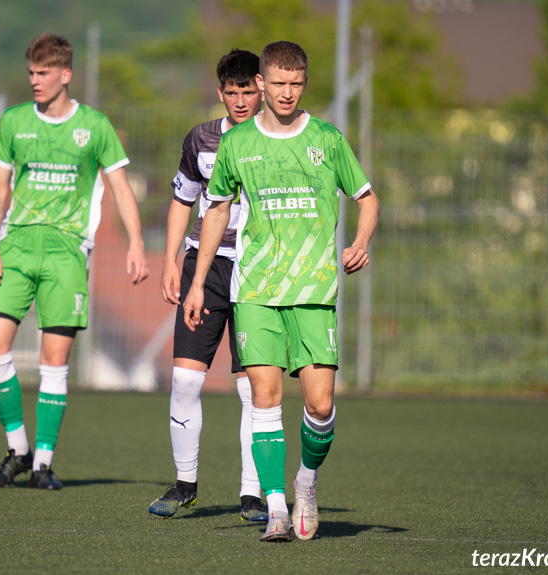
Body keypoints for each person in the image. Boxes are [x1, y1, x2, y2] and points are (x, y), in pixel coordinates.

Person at [183, 40, 380, 542]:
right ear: (262, 85)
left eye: (297, 84)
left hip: (314, 292)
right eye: (279, 84)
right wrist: (200, 283)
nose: (287, 93)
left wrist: (360, 241)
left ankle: (306, 483)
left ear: (304, 84)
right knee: (264, 398)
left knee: (319, 405)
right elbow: (218, 210)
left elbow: (367, 198)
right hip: (256, 292)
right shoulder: (238, 144)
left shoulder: (328, 140)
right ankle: (274, 508)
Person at [0, 33, 149, 490]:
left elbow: (120, 187)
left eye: (43, 74)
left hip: (67, 251)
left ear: (65, 74)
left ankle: (43, 464)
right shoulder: (14, 121)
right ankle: (18, 449)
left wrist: (136, 243)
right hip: (14, 245)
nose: (35, 82)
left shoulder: (95, 126)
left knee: (53, 361)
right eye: (31, 73)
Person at [148, 49, 267, 522]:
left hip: (259, 271)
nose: (240, 101)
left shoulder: (274, 139)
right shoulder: (200, 138)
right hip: (206, 268)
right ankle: (185, 484)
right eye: (231, 92)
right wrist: (170, 260)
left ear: (261, 88)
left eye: (247, 91)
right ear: (220, 93)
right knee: (184, 381)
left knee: (253, 390)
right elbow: (183, 199)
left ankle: (253, 495)